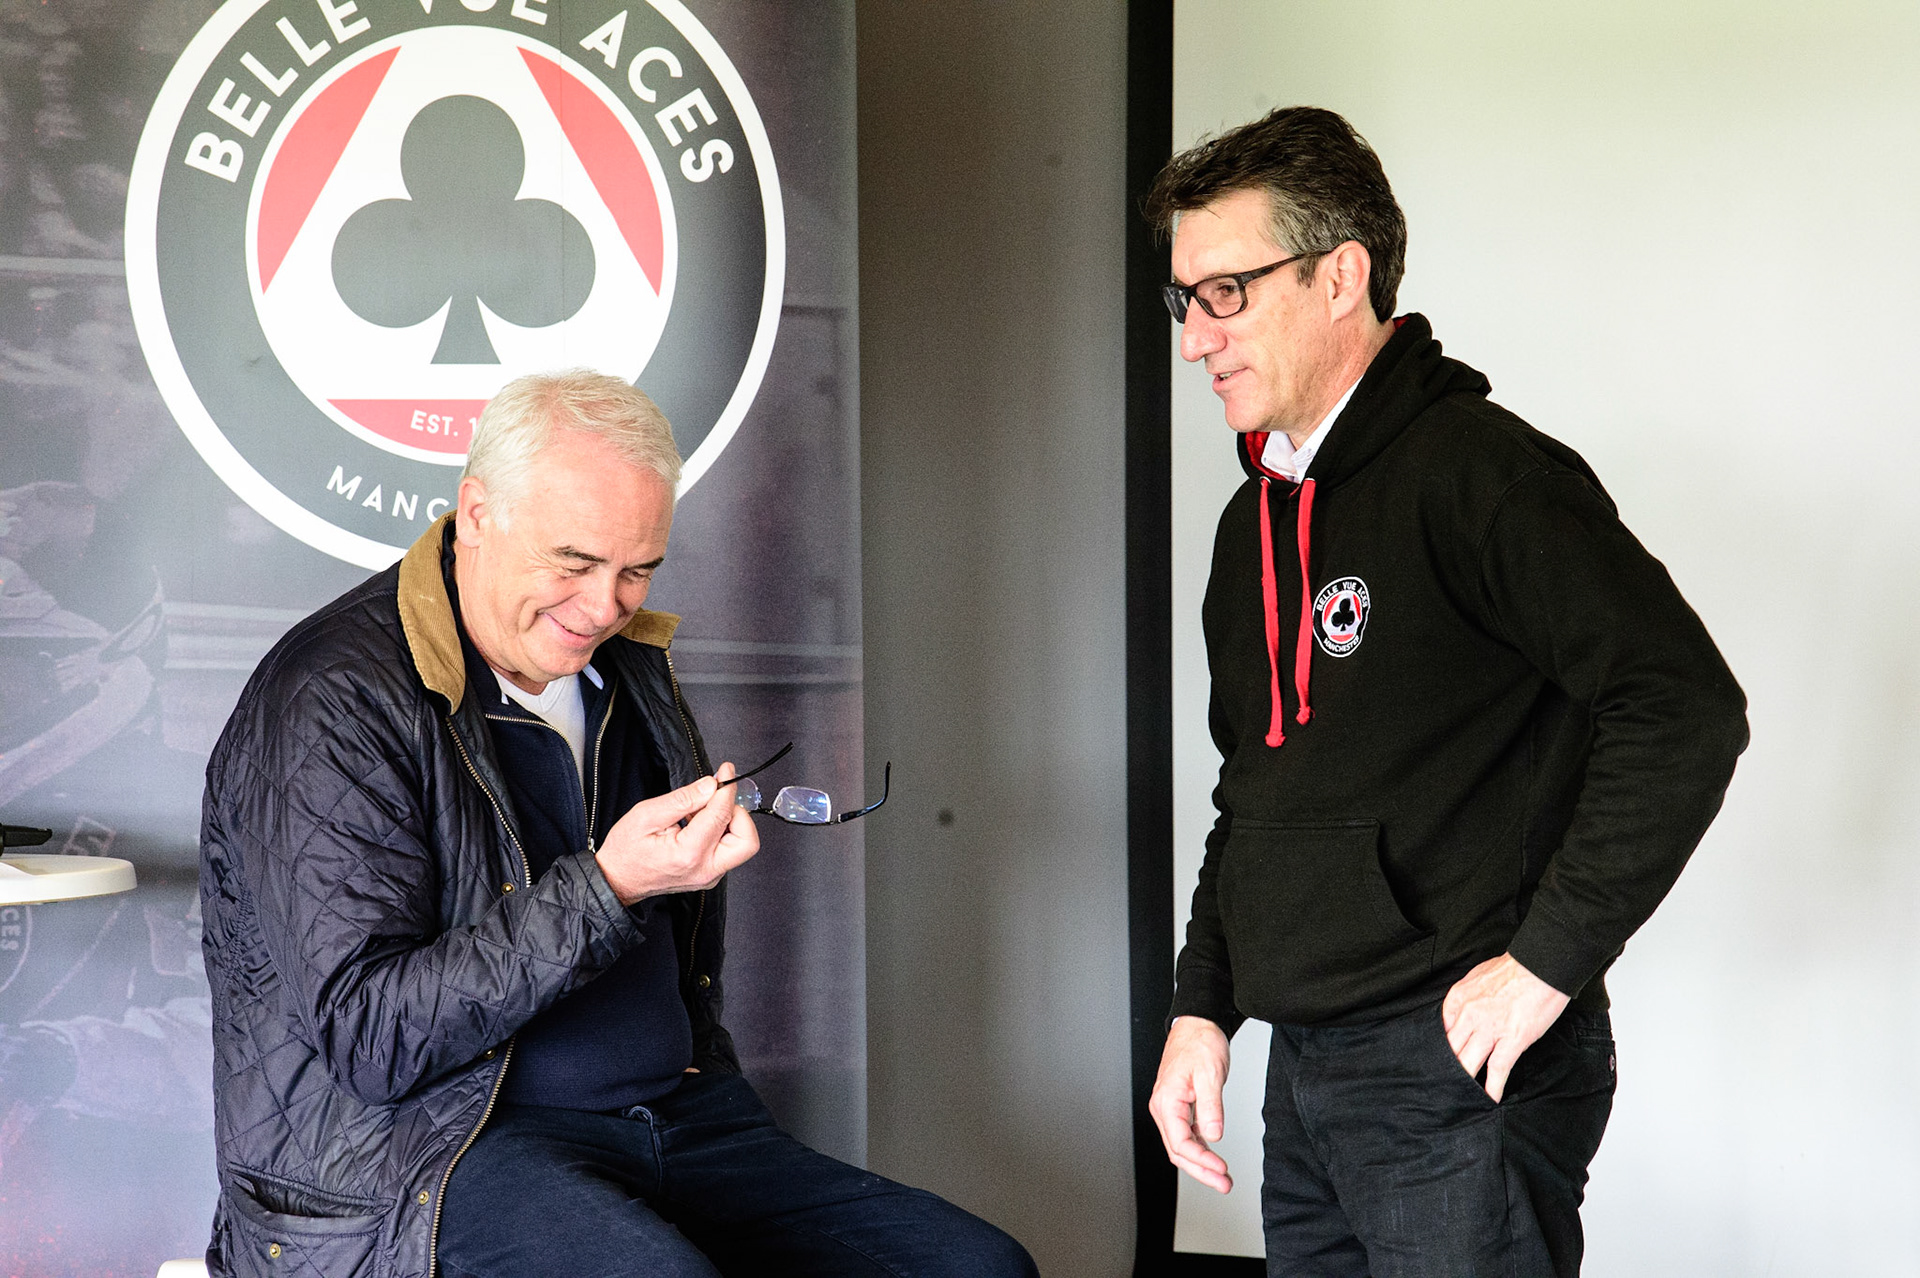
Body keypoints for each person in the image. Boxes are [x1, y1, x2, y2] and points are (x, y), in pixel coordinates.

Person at [198, 370, 1035, 1278]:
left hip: (675, 1118)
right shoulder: (330, 698)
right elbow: (371, 1038)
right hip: (435, 1150)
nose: (603, 608)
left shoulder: (624, 666)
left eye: (637, 570)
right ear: (476, 515)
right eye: (573, 562)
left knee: (979, 1268)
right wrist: (612, 886)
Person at [1143, 108, 1748, 1277]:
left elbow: (1683, 708)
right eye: (1186, 300)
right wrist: (1201, 1007)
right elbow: (1254, 794)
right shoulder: (1249, 523)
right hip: (1305, 1073)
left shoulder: (1484, 477)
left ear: (1339, 278)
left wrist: (1548, 964)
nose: (1194, 339)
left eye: (1226, 293)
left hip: (1454, 1074)